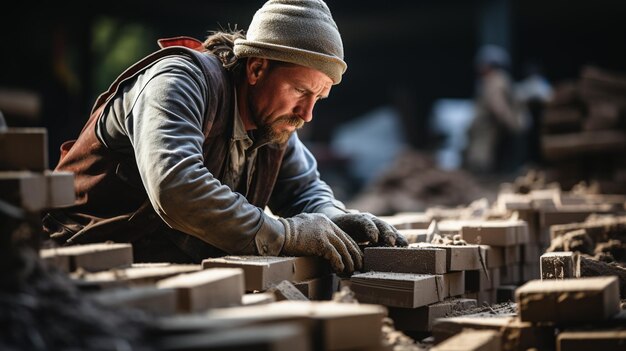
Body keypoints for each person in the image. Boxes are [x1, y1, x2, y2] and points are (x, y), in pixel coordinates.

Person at [41, 0, 407, 274]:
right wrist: (285, 234)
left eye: (318, 99)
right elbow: (176, 186)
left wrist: (333, 217)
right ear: (257, 67)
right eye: (299, 91)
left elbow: (303, 190)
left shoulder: (274, 123)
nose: (307, 113)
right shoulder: (178, 82)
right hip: (79, 266)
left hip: (167, 277)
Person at [465, 45, 529, 174]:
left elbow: (498, 106)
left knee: (480, 161)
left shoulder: (496, 80)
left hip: (489, 128)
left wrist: (512, 125)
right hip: (488, 128)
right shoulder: (493, 80)